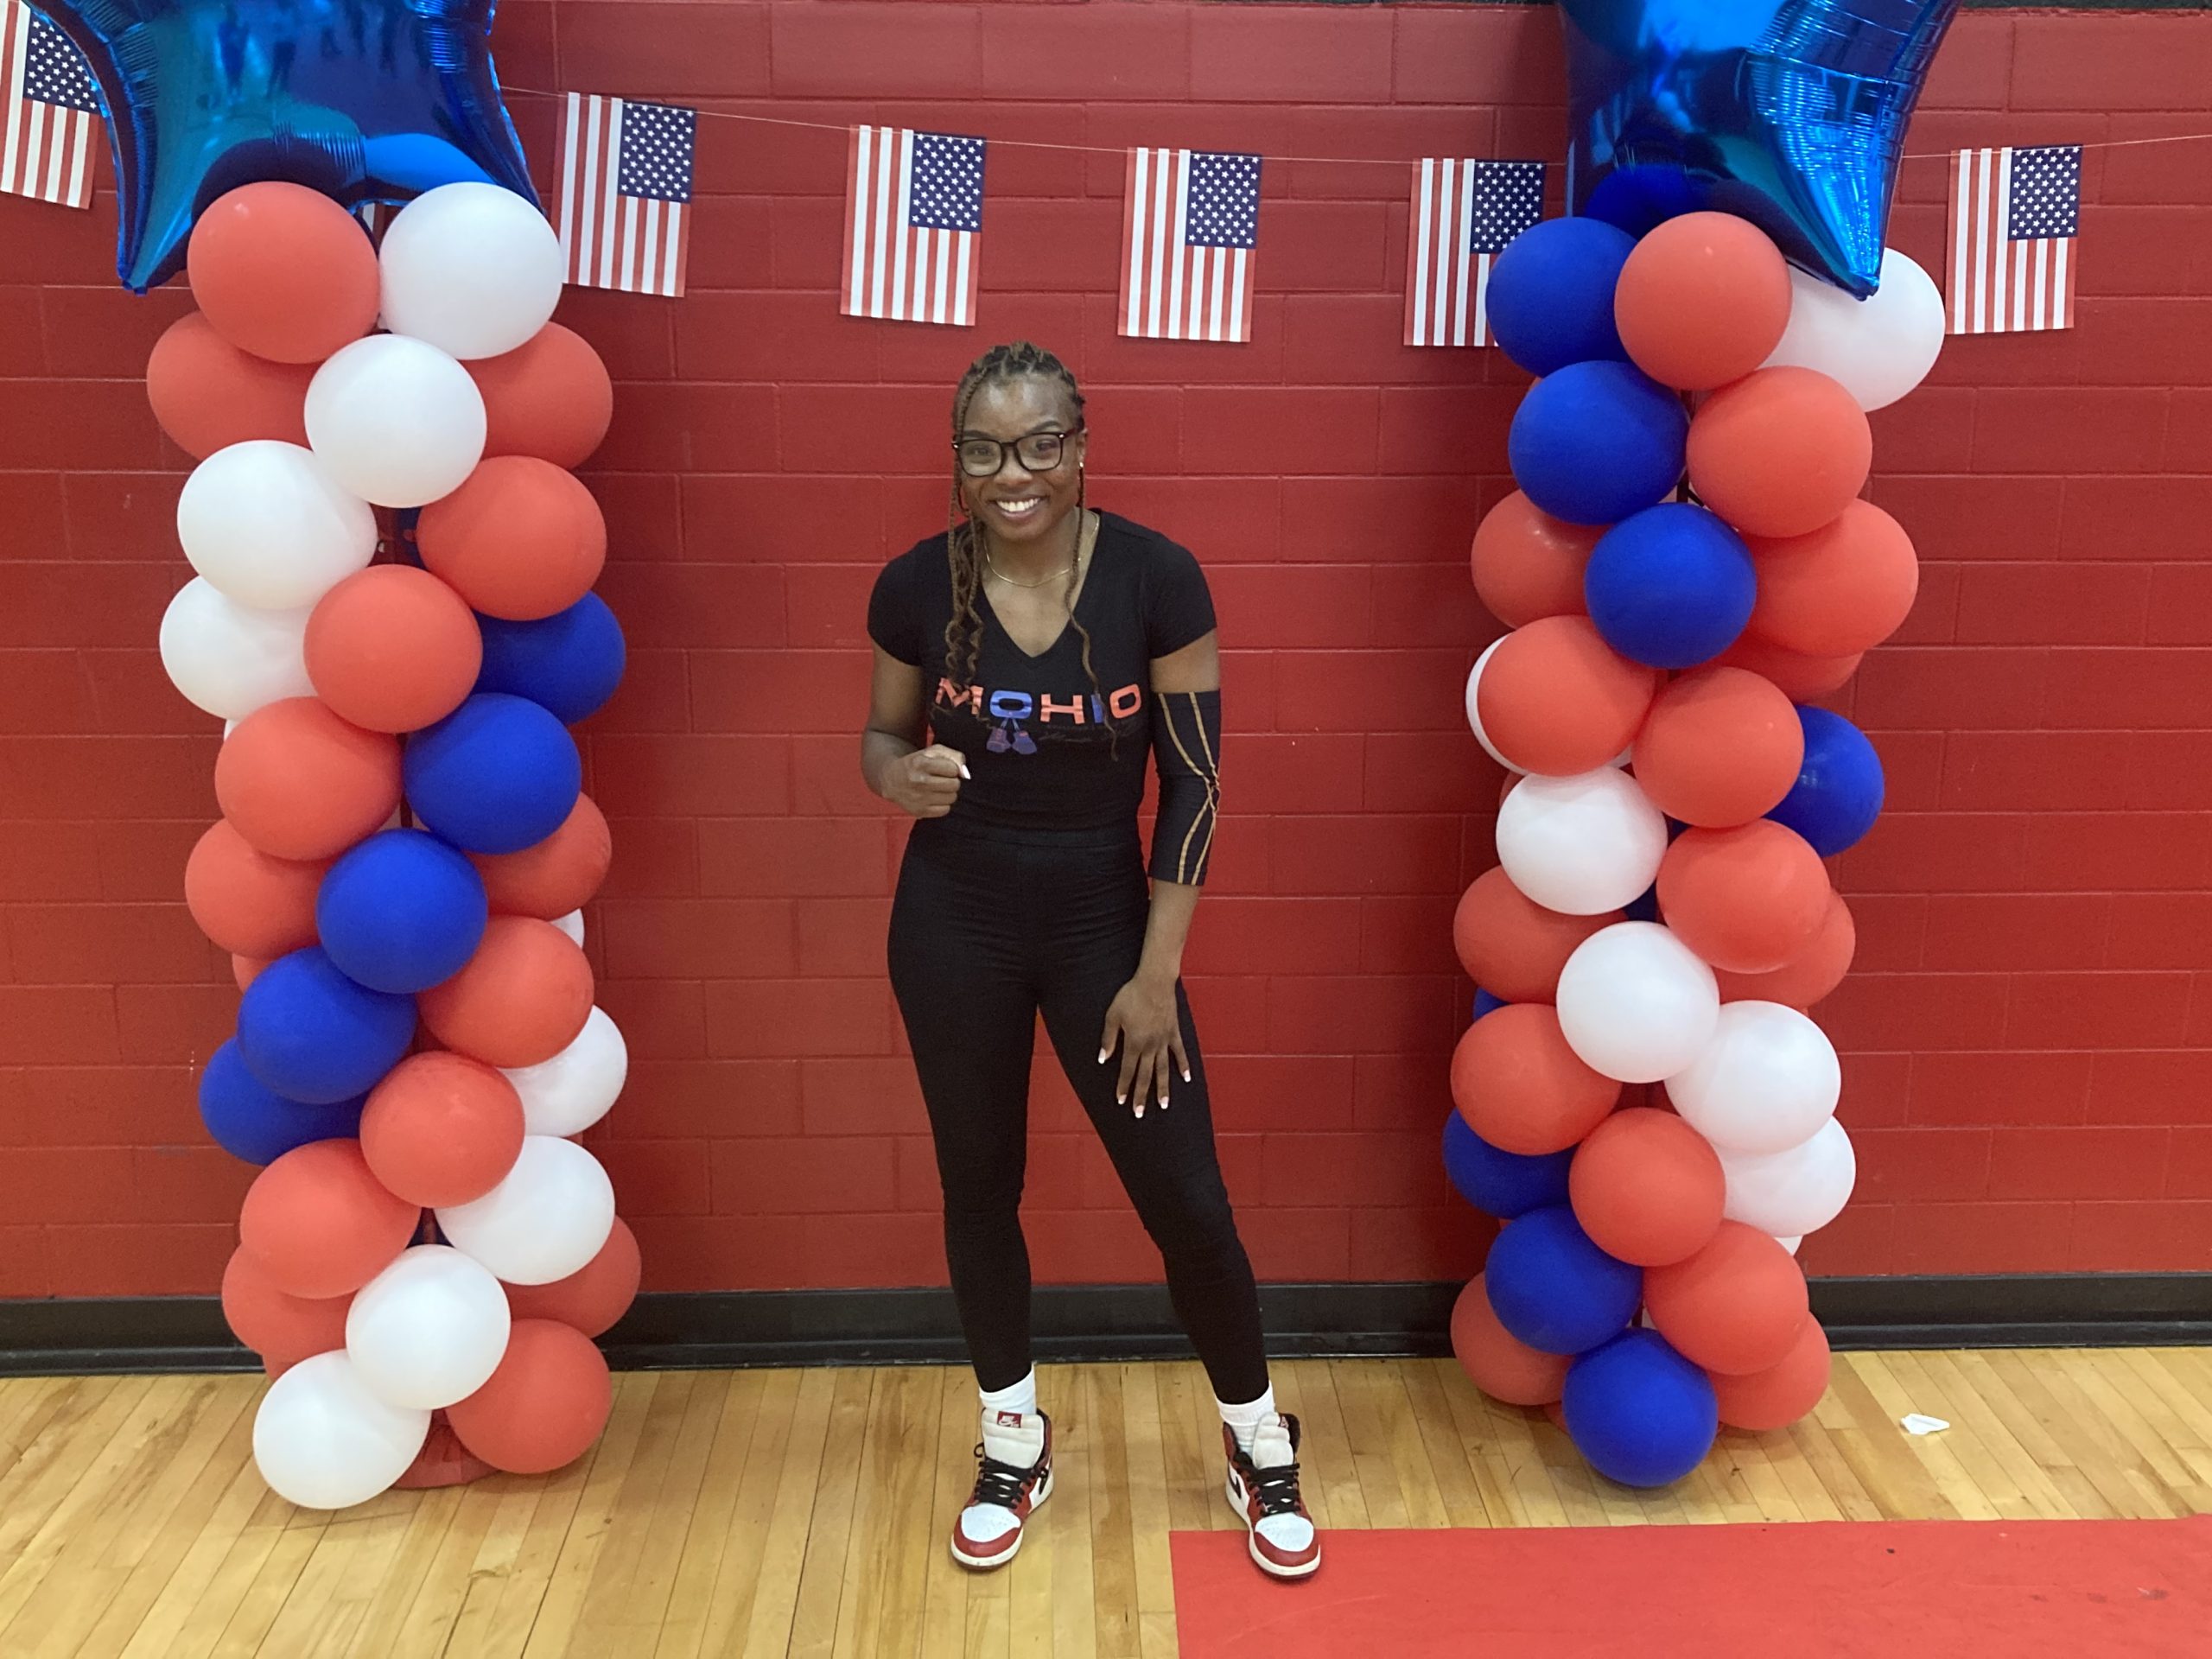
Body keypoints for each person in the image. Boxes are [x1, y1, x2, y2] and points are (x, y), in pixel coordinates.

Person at [859, 341, 1318, 1580]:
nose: (1013, 473)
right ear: (957, 459)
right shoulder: (915, 584)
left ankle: (1255, 1433)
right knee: (979, 1184)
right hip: (953, 921)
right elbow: (881, 736)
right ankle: (1012, 1432)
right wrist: (902, 779)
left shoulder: (1157, 579)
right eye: (985, 449)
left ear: (1079, 444)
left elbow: (1197, 785)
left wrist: (1156, 974)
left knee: (1185, 1198)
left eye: (1039, 443)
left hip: (1104, 926)